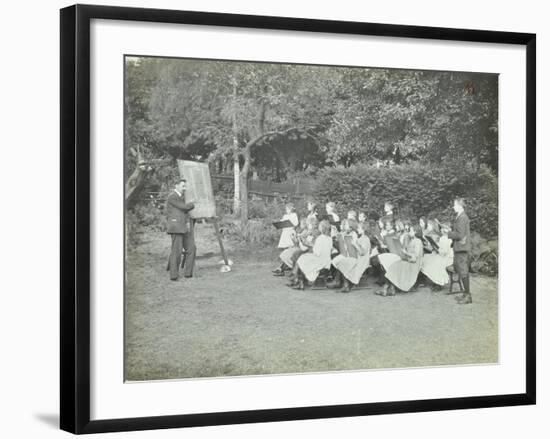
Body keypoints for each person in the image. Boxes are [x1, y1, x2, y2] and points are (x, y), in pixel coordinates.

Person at [376, 225, 424, 296]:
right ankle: (390, 288)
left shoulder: (418, 241)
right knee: (394, 265)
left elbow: (416, 255)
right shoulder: (412, 240)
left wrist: (405, 252)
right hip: (409, 261)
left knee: (396, 266)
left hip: (414, 264)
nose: (409, 232)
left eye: (410, 231)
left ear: (415, 232)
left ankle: (386, 288)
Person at [165, 179, 195, 281]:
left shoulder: (180, 197)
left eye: (185, 186)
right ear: (176, 185)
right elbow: (185, 207)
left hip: (183, 228)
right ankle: (174, 276)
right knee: (176, 252)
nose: (185, 188)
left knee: (192, 248)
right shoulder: (173, 196)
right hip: (176, 228)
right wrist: (193, 203)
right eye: (183, 186)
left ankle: (188, 274)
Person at [332, 221, 371, 293]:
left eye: (359, 228)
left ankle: (346, 285)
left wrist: (355, 244)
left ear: (364, 229)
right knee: (342, 261)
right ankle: (345, 284)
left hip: (361, 261)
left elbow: (362, 253)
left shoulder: (366, 239)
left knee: (344, 262)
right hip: (357, 258)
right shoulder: (361, 238)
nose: (357, 229)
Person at [293, 220, 333, 290]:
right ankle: (298, 280)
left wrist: (310, 245)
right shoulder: (330, 238)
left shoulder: (320, 238)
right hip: (326, 260)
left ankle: (299, 281)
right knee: (303, 258)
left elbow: (317, 252)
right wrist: (312, 245)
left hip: (320, 260)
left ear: (322, 228)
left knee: (301, 258)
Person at [448, 197, 472, 304]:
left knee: (463, 271)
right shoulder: (460, 216)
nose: (453, 207)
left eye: (455, 205)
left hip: (462, 248)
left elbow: (461, 235)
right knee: (462, 271)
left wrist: (448, 233)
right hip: (460, 248)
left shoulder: (462, 217)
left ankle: (468, 296)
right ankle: (466, 294)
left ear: (460, 206)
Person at [421, 221, 453, 290]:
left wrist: (437, 249)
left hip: (447, 257)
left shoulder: (447, 238)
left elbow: (444, 252)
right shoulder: (442, 238)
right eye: (441, 228)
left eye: (442, 228)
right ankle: (432, 281)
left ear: (445, 230)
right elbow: (441, 249)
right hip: (442, 255)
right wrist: (435, 247)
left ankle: (438, 283)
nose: (441, 230)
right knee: (427, 259)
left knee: (435, 263)